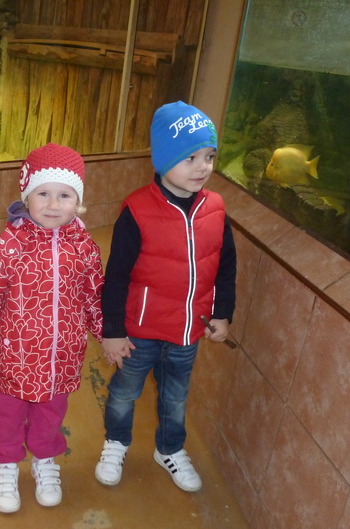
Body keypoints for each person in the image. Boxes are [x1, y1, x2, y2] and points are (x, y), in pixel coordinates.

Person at [0, 143, 104, 513]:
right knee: (8, 417)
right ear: (26, 197)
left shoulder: (85, 249)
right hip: (13, 361)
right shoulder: (7, 247)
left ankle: (44, 460)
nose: (53, 204)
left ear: (78, 202)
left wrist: (109, 335)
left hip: (61, 360)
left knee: (51, 416)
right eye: (43, 194)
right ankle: (6, 464)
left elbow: (95, 298)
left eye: (64, 195)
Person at [94, 101, 237, 493]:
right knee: (124, 394)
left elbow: (226, 266)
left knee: (175, 397)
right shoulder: (137, 211)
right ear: (163, 159)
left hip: (186, 332)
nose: (202, 167)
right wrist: (113, 331)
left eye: (209, 156)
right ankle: (116, 442)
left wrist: (222, 313)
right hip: (138, 332)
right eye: (190, 157)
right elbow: (116, 276)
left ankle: (170, 448)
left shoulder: (216, 208)